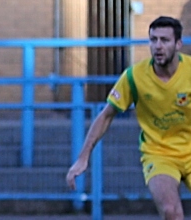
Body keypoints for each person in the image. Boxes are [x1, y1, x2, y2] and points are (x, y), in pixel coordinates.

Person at [66, 16, 191, 220]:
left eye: (165, 40)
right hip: (159, 154)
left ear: (178, 44)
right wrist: (83, 157)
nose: (158, 46)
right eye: (153, 40)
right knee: (170, 211)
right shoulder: (134, 77)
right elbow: (106, 116)